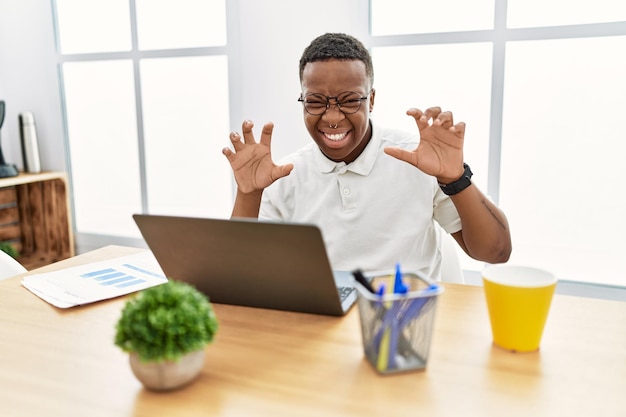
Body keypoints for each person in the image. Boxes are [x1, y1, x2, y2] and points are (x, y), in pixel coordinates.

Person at [222, 32, 511, 280]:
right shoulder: (284, 175)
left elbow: (496, 252)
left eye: (349, 100)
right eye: (315, 102)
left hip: (407, 321)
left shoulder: (418, 159)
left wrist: (456, 178)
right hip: (321, 329)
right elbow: (237, 275)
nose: (332, 117)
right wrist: (248, 194)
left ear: (371, 99)